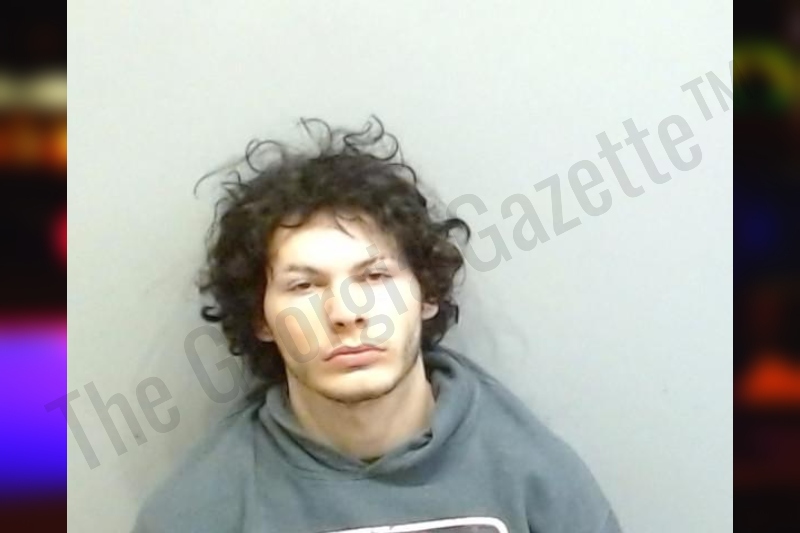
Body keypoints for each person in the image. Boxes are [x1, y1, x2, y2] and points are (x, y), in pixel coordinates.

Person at [132, 117, 623, 533]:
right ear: (260, 318)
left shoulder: (540, 482)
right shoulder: (197, 512)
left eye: (374, 276)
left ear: (427, 294)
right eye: (304, 286)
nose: (345, 313)